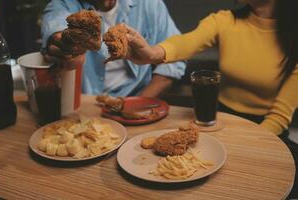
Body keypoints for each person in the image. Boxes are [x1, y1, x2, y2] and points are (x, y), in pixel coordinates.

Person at [124, 0, 298, 197]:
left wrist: (245, 148)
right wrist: (153, 53)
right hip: (220, 121)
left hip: (267, 131)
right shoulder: (224, 20)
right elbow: (186, 41)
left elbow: (280, 116)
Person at [41, 0, 186, 97]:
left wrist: (139, 103)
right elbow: (57, 28)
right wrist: (67, 48)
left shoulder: (149, 4)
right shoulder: (62, 6)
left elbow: (175, 62)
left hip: (137, 99)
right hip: (85, 107)